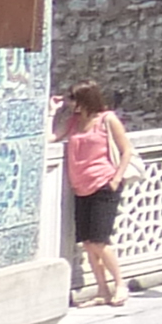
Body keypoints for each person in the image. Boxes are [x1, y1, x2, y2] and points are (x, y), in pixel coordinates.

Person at [58, 83, 134, 306]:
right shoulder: (73, 122)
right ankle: (102, 291)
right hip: (80, 187)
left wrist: (116, 178)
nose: (71, 104)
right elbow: (51, 137)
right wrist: (53, 113)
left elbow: (126, 149)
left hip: (104, 183)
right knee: (88, 243)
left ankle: (120, 284)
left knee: (100, 241)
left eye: (74, 99)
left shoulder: (107, 119)